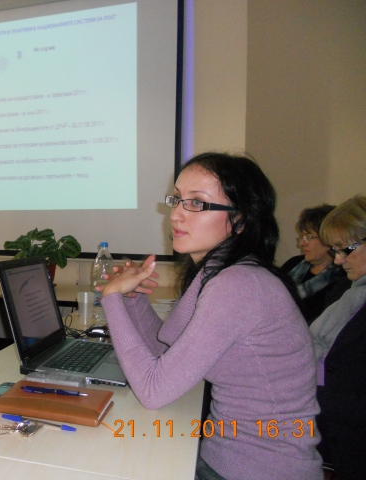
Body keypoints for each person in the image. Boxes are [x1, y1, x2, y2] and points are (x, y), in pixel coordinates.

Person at [100, 152, 322, 480]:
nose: (176, 214)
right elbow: (166, 355)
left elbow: (152, 391)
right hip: (228, 456)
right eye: (177, 199)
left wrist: (111, 298)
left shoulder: (239, 284)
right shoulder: (218, 273)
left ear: (240, 219)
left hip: (262, 469)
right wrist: (132, 300)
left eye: (196, 203)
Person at [309, 195, 366, 480]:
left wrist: (311, 395)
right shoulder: (352, 291)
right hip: (336, 434)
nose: (339, 259)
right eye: (335, 250)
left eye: (345, 249)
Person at [281, 205, 350, 324]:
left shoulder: (344, 277)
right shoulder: (293, 264)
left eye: (308, 237)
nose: (302, 243)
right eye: (302, 237)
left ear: (328, 238)